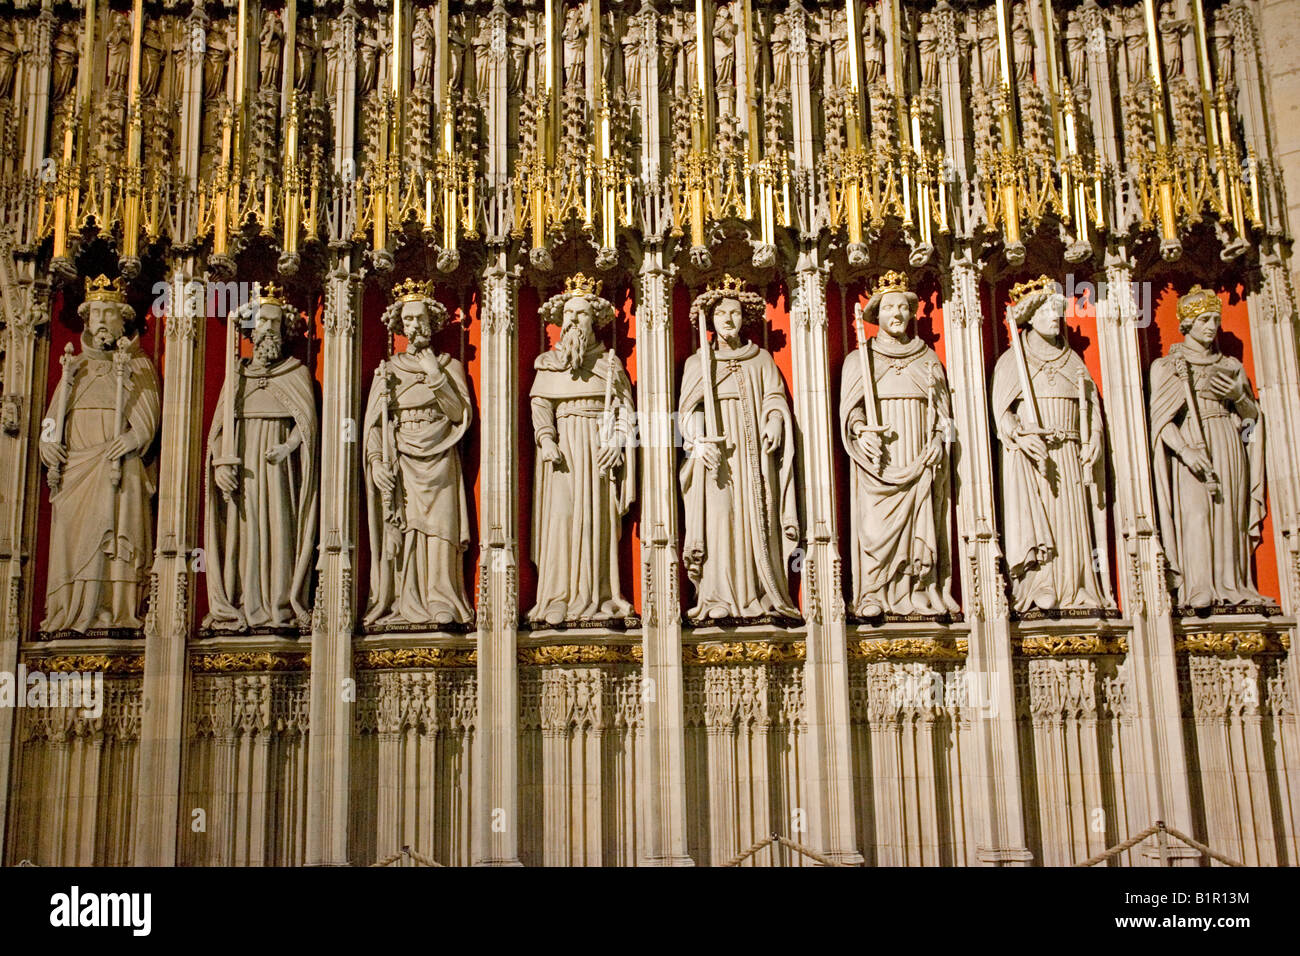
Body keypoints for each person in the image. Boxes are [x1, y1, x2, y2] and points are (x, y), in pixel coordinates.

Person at [39, 275, 160, 633]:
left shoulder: (138, 366)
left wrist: (135, 435)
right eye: (96, 315)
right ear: (87, 321)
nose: (103, 321)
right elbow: (52, 418)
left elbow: (149, 416)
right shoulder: (74, 368)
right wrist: (48, 444)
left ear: (124, 319)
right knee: (76, 544)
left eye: (110, 313)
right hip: (77, 468)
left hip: (118, 467)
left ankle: (115, 610)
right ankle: (71, 612)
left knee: (115, 543)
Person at [679, 276, 799, 621]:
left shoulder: (759, 360)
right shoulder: (697, 364)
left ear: (742, 319)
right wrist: (699, 441)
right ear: (711, 322)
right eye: (721, 315)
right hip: (716, 460)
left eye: (734, 313)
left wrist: (774, 419)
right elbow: (686, 412)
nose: (728, 320)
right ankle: (716, 594)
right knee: (719, 521)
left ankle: (759, 595)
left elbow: (775, 397)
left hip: (754, 458)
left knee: (756, 520)